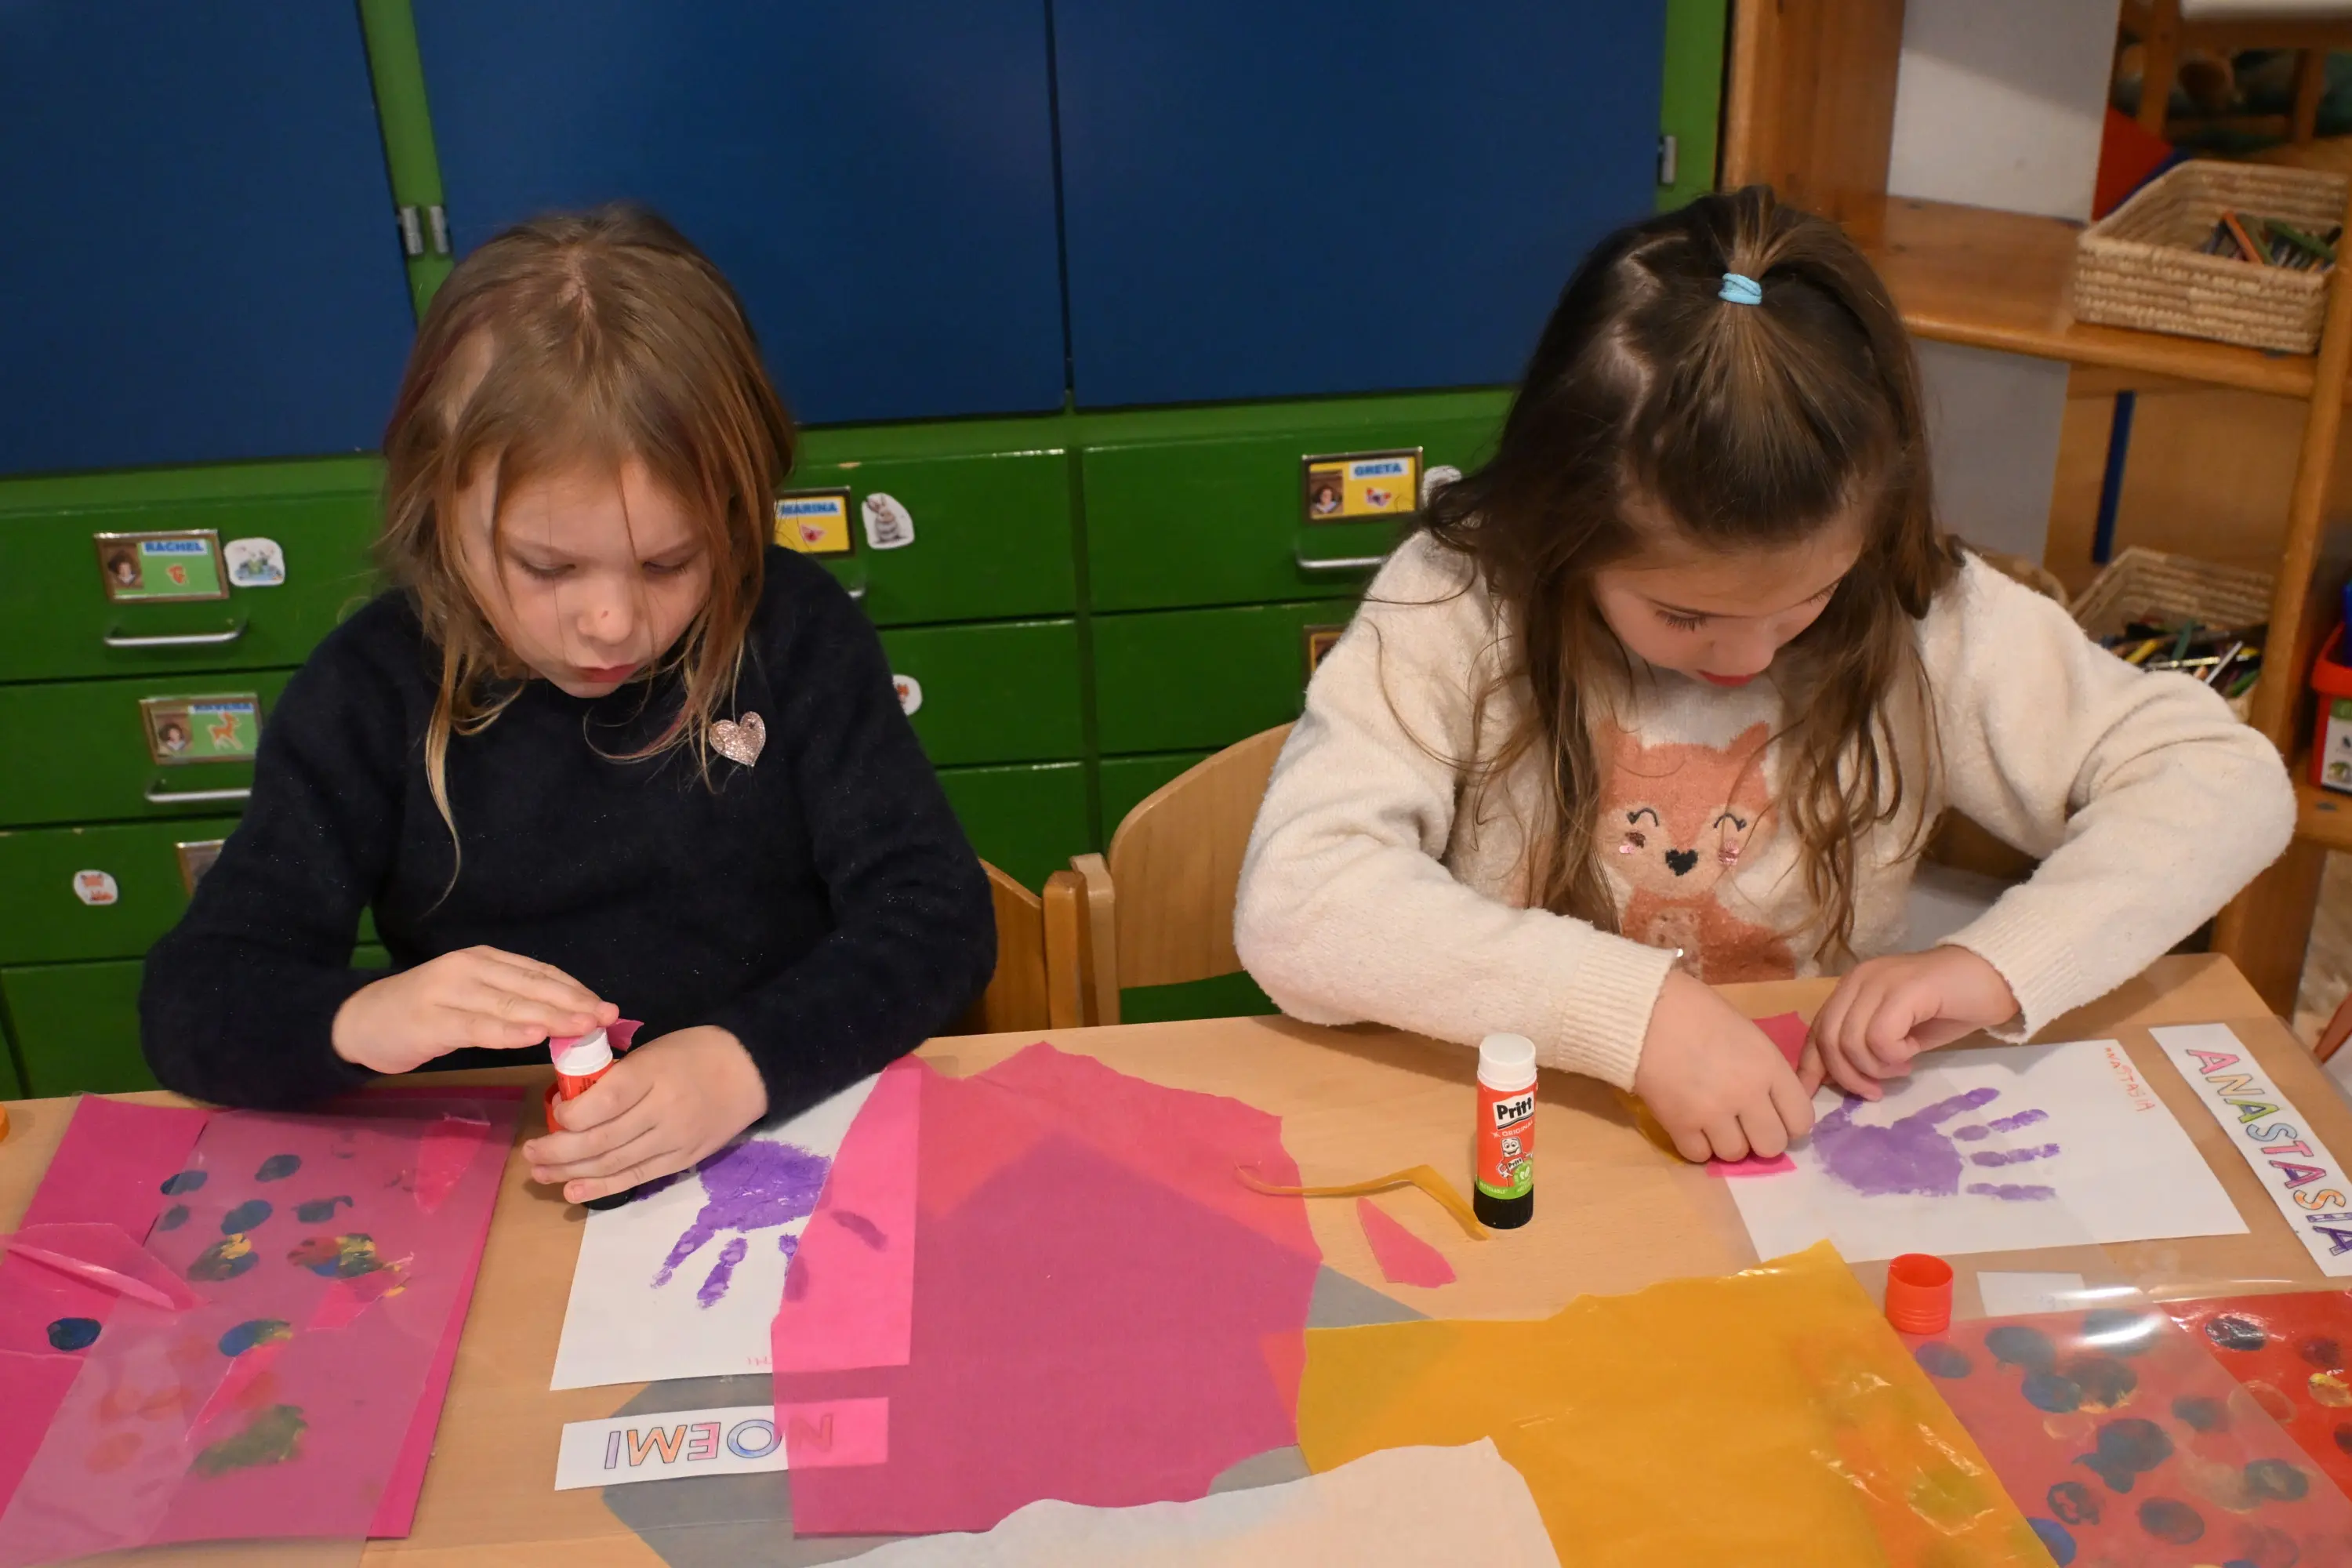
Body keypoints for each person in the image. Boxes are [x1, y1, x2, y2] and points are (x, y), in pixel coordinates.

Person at [1234, 187, 2293, 1167]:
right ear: (1567, 528)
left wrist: (1994, 967)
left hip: (1787, 1160)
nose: (1746, 659)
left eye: (1802, 605)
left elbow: (2223, 779)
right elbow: (1300, 905)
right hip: (1522, 1138)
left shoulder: (1920, 610)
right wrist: (1634, 1011)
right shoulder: (1462, 601)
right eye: (1684, 614)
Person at [142, 205, 996, 1203]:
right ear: (439, 505)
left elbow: (938, 920)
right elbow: (192, 1001)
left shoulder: (790, 633)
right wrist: (363, 1018)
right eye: (548, 565)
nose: (611, 623)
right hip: (516, 1182)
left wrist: (743, 1061)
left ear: (732, 509)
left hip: (783, 1134)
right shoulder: (370, 693)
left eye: (670, 561)